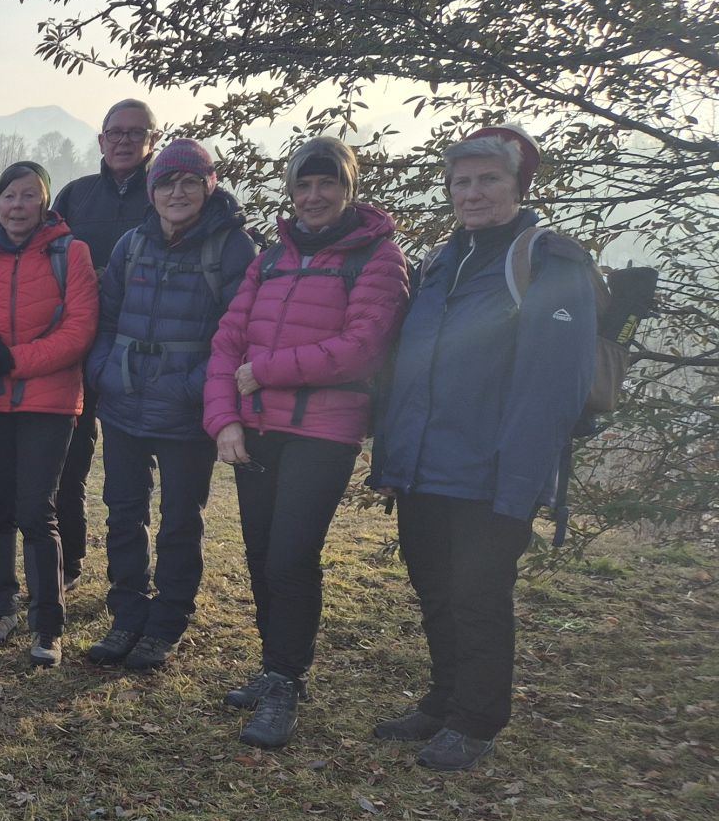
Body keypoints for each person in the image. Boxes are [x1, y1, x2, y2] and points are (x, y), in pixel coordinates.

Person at [368, 125, 593, 771]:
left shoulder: (551, 261)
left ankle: (477, 720)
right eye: (461, 182)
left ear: (518, 186)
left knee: (478, 595)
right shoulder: (444, 259)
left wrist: (518, 484)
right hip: (424, 469)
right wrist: (392, 461)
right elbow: (411, 368)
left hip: (492, 474)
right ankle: (444, 700)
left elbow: (554, 389)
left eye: (488, 180)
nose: (472, 193)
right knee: (434, 589)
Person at [204, 136, 410, 747]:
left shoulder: (378, 259)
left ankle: (286, 682)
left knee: (292, 557)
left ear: (349, 190)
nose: (314, 196)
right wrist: (226, 421)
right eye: (304, 185)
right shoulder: (270, 258)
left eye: (328, 184)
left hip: (323, 432)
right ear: (291, 193)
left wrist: (266, 371)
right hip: (256, 430)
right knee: (261, 553)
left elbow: (363, 347)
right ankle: (274, 669)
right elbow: (227, 342)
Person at [83, 139, 257, 673]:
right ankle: (127, 614)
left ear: (209, 186)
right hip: (126, 403)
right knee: (123, 513)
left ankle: (168, 621)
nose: (176, 193)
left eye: (188, 182)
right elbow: (106, 318)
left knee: (181, 518)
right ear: (153, 189)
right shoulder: (132, 244)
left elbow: (240, 332)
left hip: (186, 411)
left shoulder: (232, 248)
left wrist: (196, 387)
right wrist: (104, 372)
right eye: (166, 183)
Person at [0, 162, 99, 665]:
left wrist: (12, 360)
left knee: (37, 509)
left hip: (49, 403)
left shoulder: (71, 253)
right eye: (9, 195)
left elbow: (79, 330)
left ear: (44, 201)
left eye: (28, 196)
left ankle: (47, 623)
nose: (17, 205)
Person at [49, 100, 162, 592]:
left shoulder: (166, 195)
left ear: (152, 141)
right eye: (115, 132)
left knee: (129, 478)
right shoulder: (76, 196)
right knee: (69, 462)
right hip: (76, 350)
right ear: (100, 140)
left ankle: (128, 578)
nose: (123, 141)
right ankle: (68, 561)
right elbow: (40, 254)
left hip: (141, 353)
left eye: (135, 133)